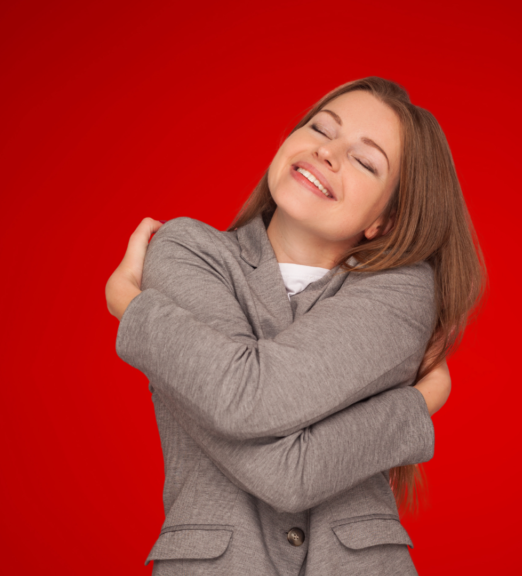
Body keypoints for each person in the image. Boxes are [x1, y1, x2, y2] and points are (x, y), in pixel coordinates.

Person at [106, 77, 486, 576]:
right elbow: (278, 454)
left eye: (365, 161)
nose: (327, 152)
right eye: (320, 128)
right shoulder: (187, 252)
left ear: (386, 222)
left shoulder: (402, 291)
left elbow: (251, 406)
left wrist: (134, 311)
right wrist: (417, 405)